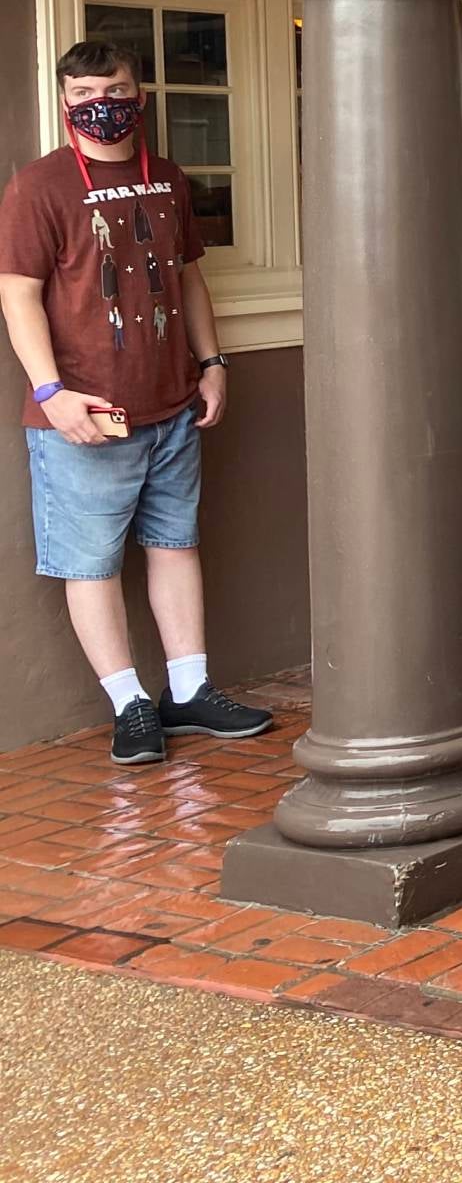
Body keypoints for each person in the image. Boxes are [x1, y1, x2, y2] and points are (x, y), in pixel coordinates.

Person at [0, 39, 273, 765]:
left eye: (114, 90)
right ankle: (128, 705)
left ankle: (189, 690)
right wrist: (51, 393)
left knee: (175, 545)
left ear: (139, 95)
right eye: (84, 95)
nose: (101, 106)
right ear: (65, 101)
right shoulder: (38, 186)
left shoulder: (169, 178)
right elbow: (17, 294)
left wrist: (212, 364)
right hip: (85, 415)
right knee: (91, 565)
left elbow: (187, 278)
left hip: (172, 405)